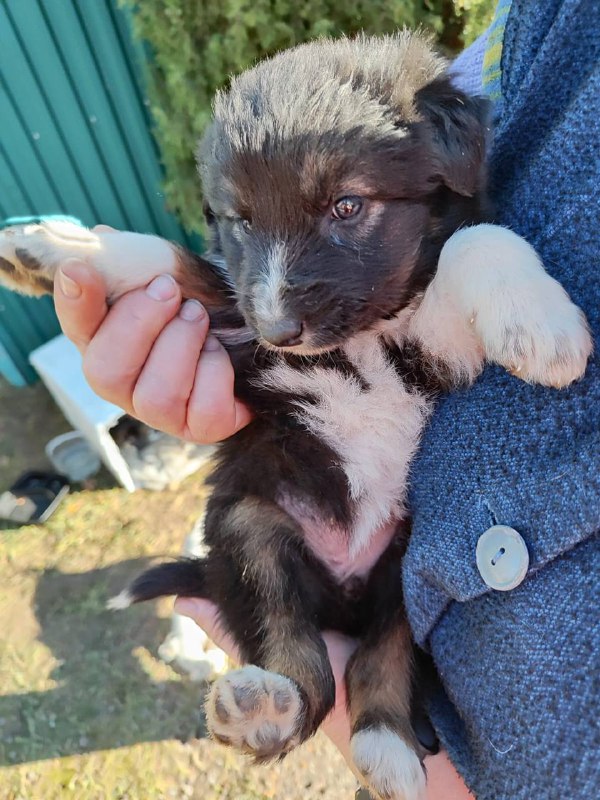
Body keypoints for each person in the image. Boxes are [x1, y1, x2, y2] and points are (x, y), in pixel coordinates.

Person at [51, 1, 599, 797]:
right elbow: (231, 311)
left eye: (345, 209)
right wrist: (128, 269)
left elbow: (458, 273)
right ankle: (296, 686)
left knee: (403, 600)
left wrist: (495, 267)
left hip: (419, 562)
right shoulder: (544, 27)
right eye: (240, 221)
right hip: (292, 494)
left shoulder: (439, 216)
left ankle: (379, 712)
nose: (277, 306)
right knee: (247, 521)